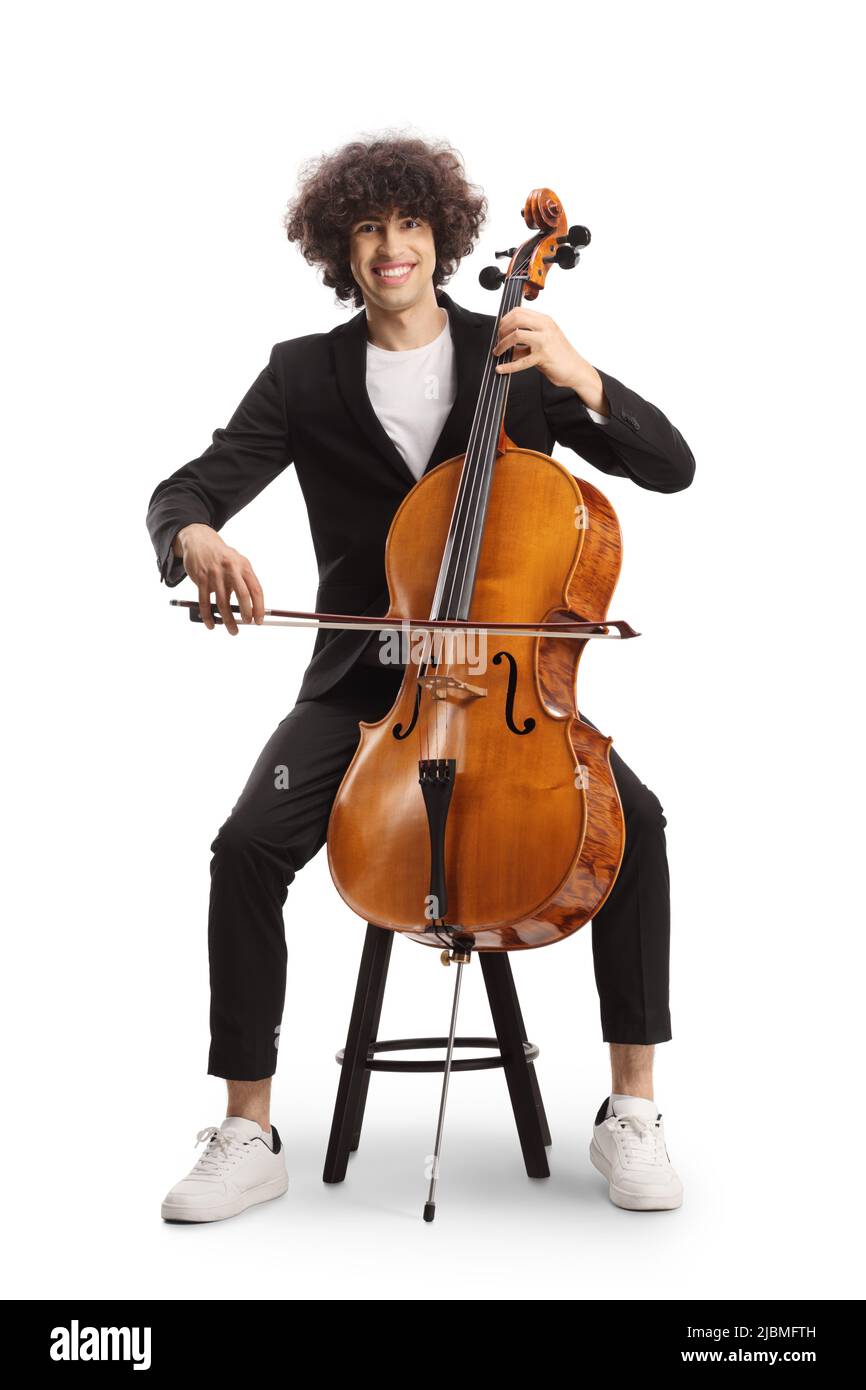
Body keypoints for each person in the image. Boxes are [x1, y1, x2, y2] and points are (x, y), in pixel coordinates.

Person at [148, 135, 695, 1223]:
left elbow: (669, 466)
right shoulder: (301, 374)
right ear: (336, 249)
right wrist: (196, 535)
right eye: (365, 227)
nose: (389, 246)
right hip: (368, 691)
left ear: (441, 239)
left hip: (507, 691)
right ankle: (247, 1128)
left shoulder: (514, 352)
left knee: (631, 827)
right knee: (245, 847)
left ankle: (630, 1110)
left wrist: (580, 376)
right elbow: (187, 486)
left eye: (407, 224)